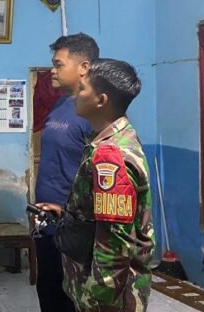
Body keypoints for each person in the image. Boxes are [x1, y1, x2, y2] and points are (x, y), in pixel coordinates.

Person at [38, 58, 155, 312]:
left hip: (105, 297)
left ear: (101, 100)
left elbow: (114, 243)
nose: (75, 95)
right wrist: (69, 216)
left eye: (82, 89)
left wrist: (99, 299)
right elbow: (105, 216)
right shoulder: (106, 139)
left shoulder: (111, 156)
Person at [34, 33, 99, 312]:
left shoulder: (95, 112)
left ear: (83, 67)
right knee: (49, 289)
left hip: (75, 226)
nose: (52, 70)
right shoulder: (60, 105)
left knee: (73, 297)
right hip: (46, 222)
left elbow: (102, 177)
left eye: (58, 64)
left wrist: (75, 215)